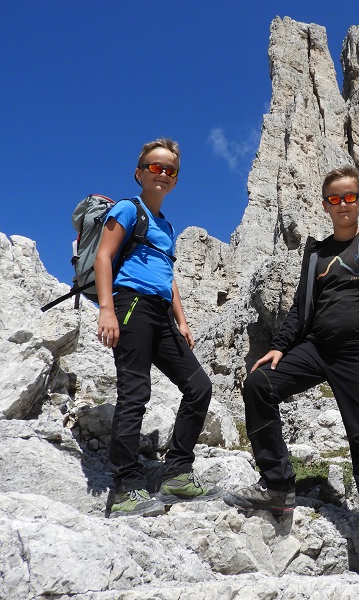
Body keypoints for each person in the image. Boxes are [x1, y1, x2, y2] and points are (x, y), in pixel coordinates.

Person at [224, 166, 359, 577]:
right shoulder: (317, 254)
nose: (343, 205)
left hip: (358, 354)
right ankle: (277, 486)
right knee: (259, 384)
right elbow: (299, 309)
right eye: (335, 199)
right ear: (325, 205)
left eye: (350, 197)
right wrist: (279, 347)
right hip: (315, 348)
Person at [95, 138, 221, 518]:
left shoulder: (166, 225)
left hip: (162, 314)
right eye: (155, 167)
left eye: (170, 170)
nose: (162, 173)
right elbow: (104, 255)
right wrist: (106, 310)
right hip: (130, 304)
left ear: (176, 179)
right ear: (140, 173)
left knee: (199, 386)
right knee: (135, 393)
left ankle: (177, 474)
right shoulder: (127, 209)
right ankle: (125, 488)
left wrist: (181, 320)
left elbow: (168, 275)